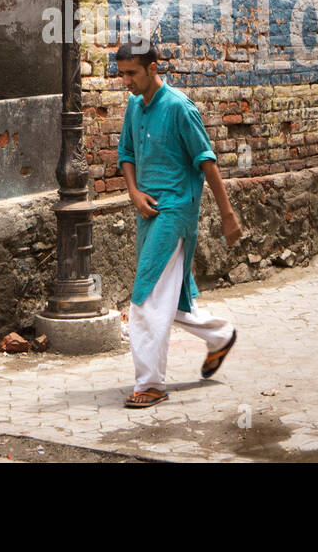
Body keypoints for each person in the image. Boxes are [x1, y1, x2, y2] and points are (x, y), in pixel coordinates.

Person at [115, 37, 242, 408]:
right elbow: (126, 153)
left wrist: (227, 215)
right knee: (168, 298)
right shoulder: (134, 106)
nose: (127, 82)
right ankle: (221, 335)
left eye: (132, 74)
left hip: (177, 212)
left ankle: (151, 384)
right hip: (147, 212)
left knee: (146, 298)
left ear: (153, 68)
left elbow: (207, 162)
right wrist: (133, 193)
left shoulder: (180, 108)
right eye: (122, 74)